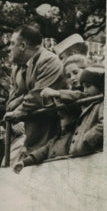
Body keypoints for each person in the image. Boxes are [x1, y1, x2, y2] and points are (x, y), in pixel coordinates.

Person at [4, 24, 66, 159]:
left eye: (12, 43)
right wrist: (23, 99)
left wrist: (19, 109)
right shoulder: (18, 69)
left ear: (23, 46)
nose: (9, 48)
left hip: (51, 134)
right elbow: (10, 103)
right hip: (30, 135)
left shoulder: (49, 60)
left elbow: (38, 96)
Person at [68, 66, 104, 157]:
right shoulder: (91, 104)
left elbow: (105, 124)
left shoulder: (102, 104)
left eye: (88, 86)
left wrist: (87, 139)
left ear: (99, 85)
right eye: (83, 87)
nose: (85, 90)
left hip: (93, 155)